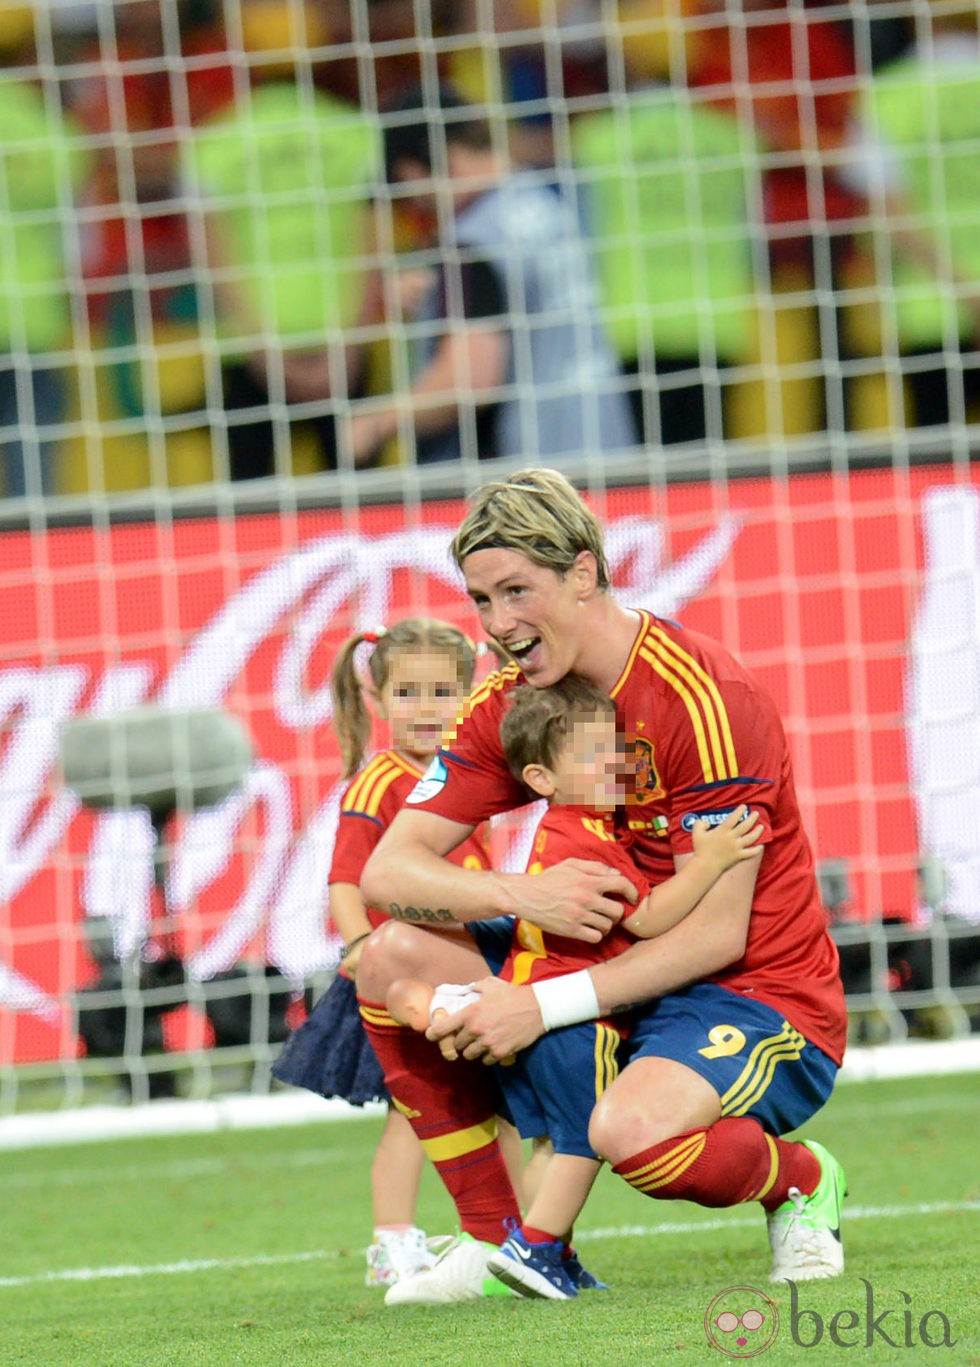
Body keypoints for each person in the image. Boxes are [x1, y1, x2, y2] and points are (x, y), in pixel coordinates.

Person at [359, 466, 848, 1303]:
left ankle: (801, 1182)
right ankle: (499, 1236)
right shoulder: (511, 705)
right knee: (389, 956)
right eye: (480, 600)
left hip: (752, 990)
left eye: (516, 591)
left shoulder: (707, 698)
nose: (498, 625)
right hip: (607, 964)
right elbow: (389, 871)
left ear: (583, 571)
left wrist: (537, 1006)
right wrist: (525, 896)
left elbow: (716, 935)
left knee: (634, 1135)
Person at [388, 676, 763, 1300]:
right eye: (594, 755)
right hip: (566, 1020)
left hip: (524, 1001)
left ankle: (549, 1251)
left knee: (547, 1142)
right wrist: (713, 862)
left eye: (614, 746)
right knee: (582, 1144)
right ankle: (536, 1251)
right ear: (541, 778)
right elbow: (647, 918)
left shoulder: (561, 830)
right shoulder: (589, 837)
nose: (614, 762)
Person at [271, 617, 515, 1289]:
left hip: (462, 969)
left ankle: (520, 1232)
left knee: (502, 1106)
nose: (428, 707)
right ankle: (392, 1239)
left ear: (472, 694)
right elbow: (346, 879)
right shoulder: (380, 782)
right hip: (397, 977)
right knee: (414, 1114)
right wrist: (357, 944)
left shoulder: (468, 776)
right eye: (409, 692)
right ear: (376, 700)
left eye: (444, 690)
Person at [347, 82, 635, 466]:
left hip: (526, 488)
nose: (413, 202)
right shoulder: (544, 206)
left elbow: (469, 379)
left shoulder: (473, 243)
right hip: (601, 450)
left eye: (407, 181)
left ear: (442, 161)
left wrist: (377, 422)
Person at [181, 16, 380, 479]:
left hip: (250, 346)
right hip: (340, 338)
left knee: (251, 501)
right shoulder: (357, 134)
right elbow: (373, 245)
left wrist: (262, 348)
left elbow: (211, 255)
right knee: (357, 499)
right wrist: (351, 344)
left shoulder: (213, 142)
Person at [0, 9, 92, 497]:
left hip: (29, 329)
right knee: (32, 486)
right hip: (30, 323)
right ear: (30, 53)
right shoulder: (56, 137)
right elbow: (81, 240)